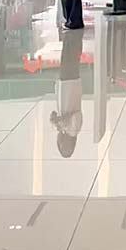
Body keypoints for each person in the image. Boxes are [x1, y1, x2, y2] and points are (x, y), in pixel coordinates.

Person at [50, 26, 84, 157]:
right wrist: (62, 120)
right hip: (71, 85)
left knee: (66, 57)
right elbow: (76, 116)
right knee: (72, 57)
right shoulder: (74, 130)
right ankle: (74, 35)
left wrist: (55, 120)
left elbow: (55, 113)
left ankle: (70, 35)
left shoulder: (63, 129)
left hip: (64, 86)